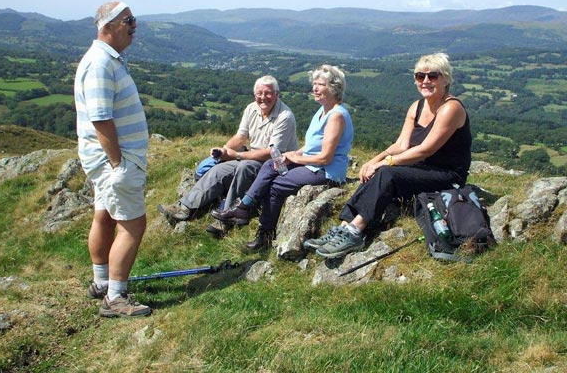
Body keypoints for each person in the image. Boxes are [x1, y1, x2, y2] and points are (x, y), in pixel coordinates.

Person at [306, 53, 472, 259]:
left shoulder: (451, 108)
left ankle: (355, 231)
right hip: (422, 168)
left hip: (448, 176)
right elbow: (401, 144)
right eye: (420, 76)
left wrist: (386, 163)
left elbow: (426, 149)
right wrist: (374, 160)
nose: (426, 81)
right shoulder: (417, 106)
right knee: (378, 171)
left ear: (446, 79)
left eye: (433, 76)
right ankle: (342, 227)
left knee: (387, 173)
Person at [212, 65, 354, 250]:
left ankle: (264, 235)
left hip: (326, 172)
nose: (315, 88)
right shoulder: (322, 111)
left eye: (320, 84)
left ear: (334, 88)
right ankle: (244, 207)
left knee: (276, 185)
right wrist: (292, 155)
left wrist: (294, 158)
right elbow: (311, 147)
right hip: (312, 165)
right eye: (314, 84)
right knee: (272, 164)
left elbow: (325, 158)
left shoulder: (336, 116)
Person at [74, 1, 151, 318]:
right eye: (128, 20)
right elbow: (101, 119)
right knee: (133, 224)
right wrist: (119, 164)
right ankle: (116, 297)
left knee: (104, 215)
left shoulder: (106, 60)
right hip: (115, 162)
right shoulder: (100, 64)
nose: (134, 26)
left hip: (108, 161)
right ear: (107, 26)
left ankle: (101, 281)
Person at [157, 75, 299, 237]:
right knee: (220, 170)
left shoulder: (285, 117)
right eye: (259, 93)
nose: (263, 97)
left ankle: (226, 218)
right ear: (254, 94)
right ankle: (184, 207)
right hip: (251, 156)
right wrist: (224, 151)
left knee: (245, 167)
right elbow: (240, 137)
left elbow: (271, 153)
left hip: (274, 164)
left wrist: (237, 155)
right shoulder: (251, 108)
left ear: (276, 94)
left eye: (268, 93)